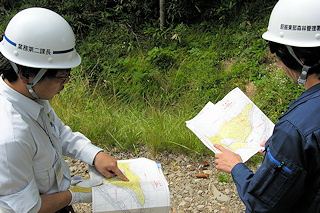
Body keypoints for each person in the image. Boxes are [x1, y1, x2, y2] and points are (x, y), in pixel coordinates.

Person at [0, 7, 128, 213]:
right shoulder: (11, 137)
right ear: (27, 75)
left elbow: (58, 131)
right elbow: (29, 209)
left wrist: (95, 155)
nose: (65, 84)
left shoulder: (32, 96)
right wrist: (77, 195)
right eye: (61, 77)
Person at [214, 0, 320, 212]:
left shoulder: (294, 129)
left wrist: (236, 167)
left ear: (294, 57)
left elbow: (263, 203)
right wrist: (280, 151)